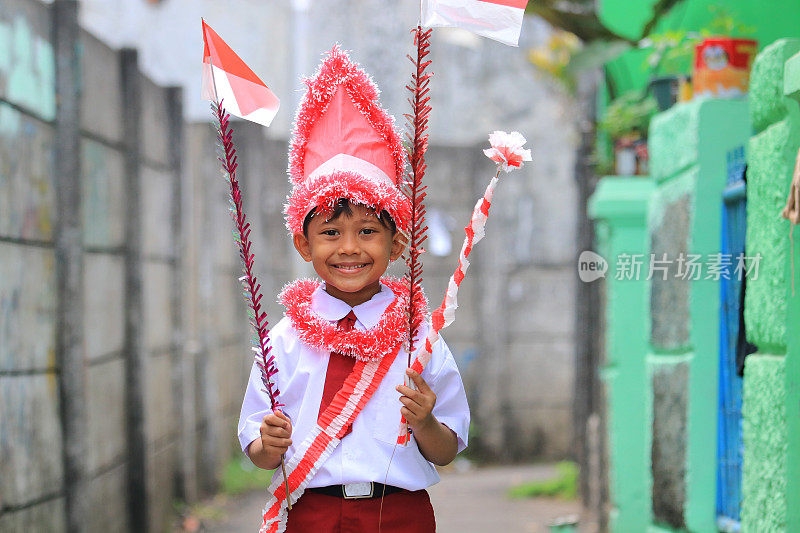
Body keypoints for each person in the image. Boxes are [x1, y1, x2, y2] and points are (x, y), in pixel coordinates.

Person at [237, 46, 470, 533]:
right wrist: (269, 444)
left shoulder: (418, 337)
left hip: (400, 514)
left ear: (397, 243)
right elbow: (258, 451)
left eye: (368, 231)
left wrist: (425, 420)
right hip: (311, 513)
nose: (349, 248)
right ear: (303, 243)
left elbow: (447, 451)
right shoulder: (282, 339)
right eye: (330, 233)